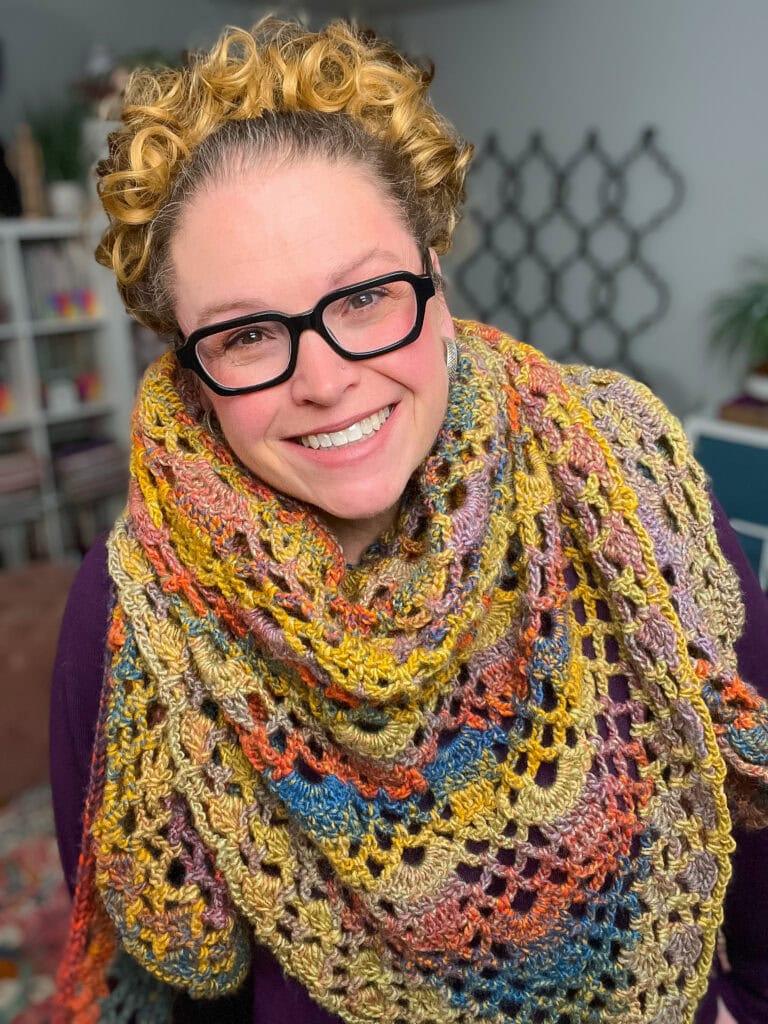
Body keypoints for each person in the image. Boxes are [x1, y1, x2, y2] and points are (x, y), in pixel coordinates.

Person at [50, 18, 768, 1024]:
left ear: (433, 273)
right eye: (248, 334)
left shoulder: (625, 480)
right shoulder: (130, 613)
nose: (324, 379)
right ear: (189, 361)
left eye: (363, 297)